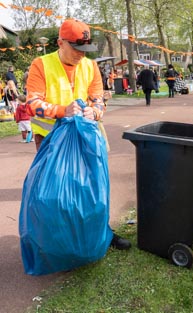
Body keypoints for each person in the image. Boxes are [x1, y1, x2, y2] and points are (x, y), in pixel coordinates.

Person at [25, 18, 131, 250]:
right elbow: (32, 103)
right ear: (60, 43)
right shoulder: (40, 65)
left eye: (85, 49)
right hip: (52, 142)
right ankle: (62, 242)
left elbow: (98, 98)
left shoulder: (90, 66)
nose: (81, 54)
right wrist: (63, 111)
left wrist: (96, 110)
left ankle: (101, 232)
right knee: (56, 195)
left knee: (93, 187)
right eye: (76, 48)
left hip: (87, 139)